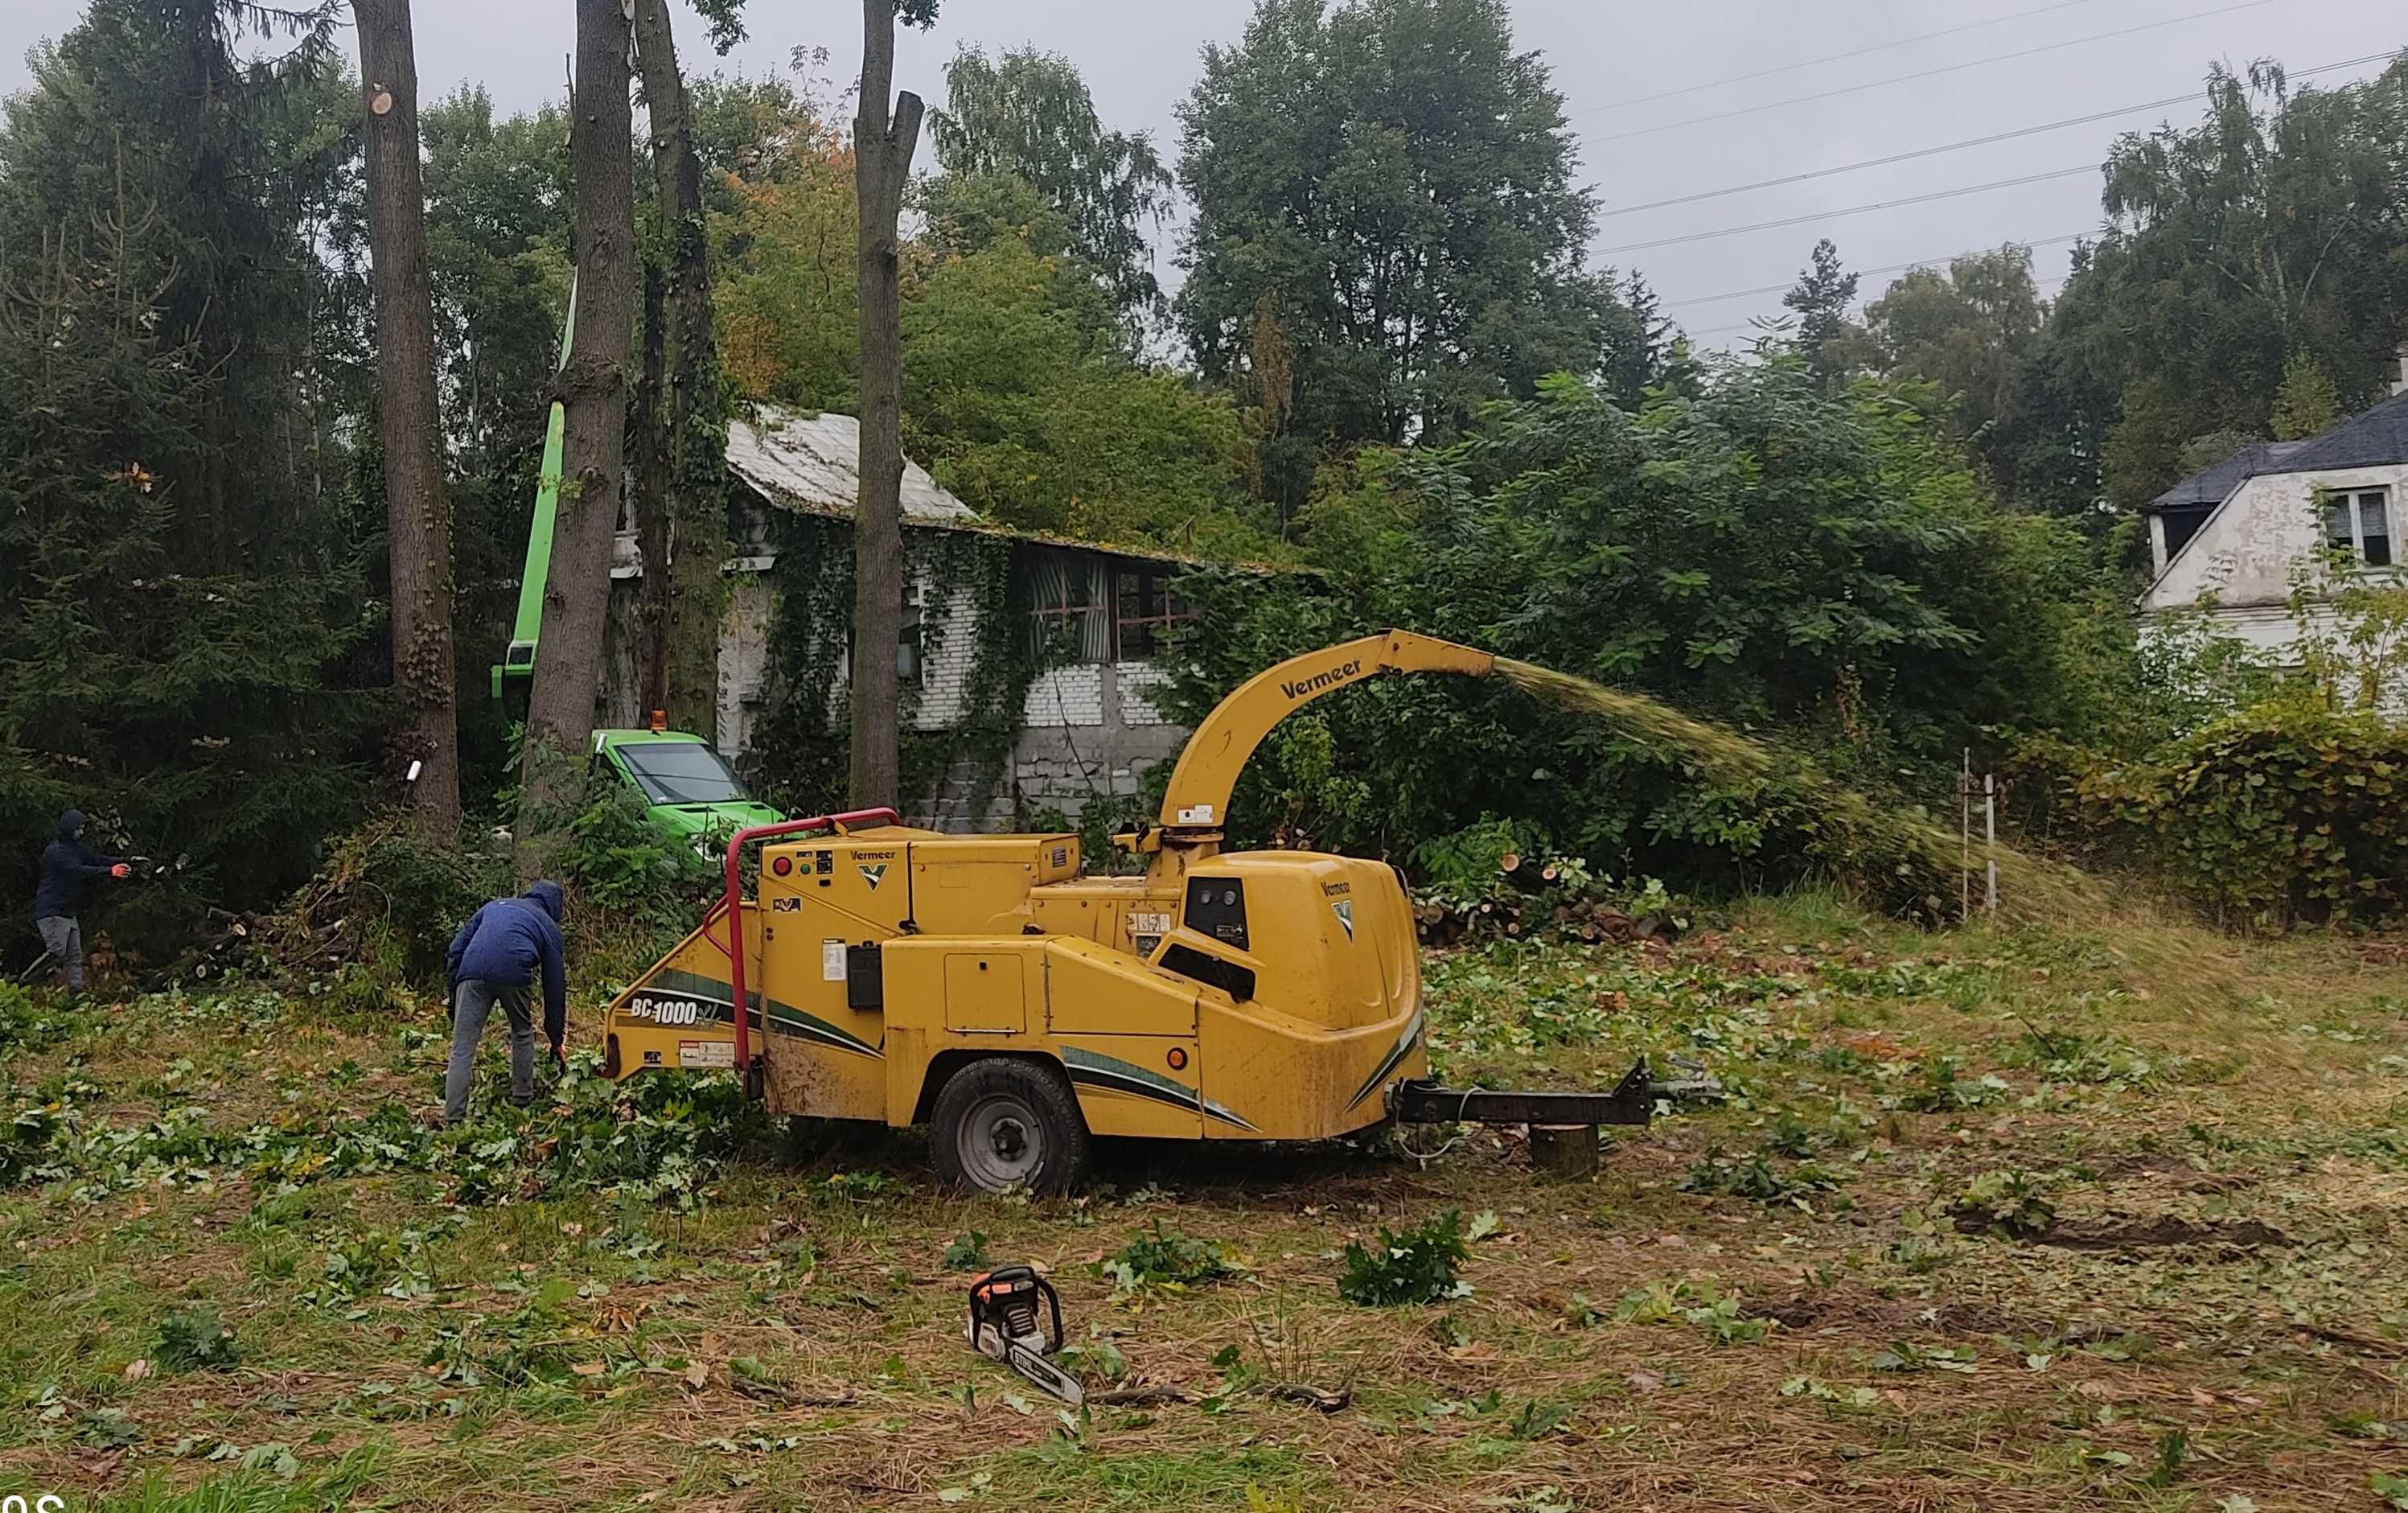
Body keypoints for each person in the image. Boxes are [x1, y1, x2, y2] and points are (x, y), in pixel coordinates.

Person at [442, 880, 568, 1124]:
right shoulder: (547, 924)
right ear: (555, 906)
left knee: (462, 1048)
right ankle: (521, 1100)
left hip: (471, 971)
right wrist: (556, 1039)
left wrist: (454, 1000)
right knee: (521, 1032)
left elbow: (456, 948)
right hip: (514, 972)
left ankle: (453, 1119)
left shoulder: (493, 906)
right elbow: (555, 985)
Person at [32, 808, 131, 995]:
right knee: (56, 951)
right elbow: (78, 871)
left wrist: (127, 861)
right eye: (79, 828)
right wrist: (110, 872)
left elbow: (97, 860)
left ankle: (75, 993)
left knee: (74, 955)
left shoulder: (75, 849)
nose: (82, 832)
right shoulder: (55, 852)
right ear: (70, 828)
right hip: (52, 911)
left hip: (68, 911)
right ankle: (26, 982)